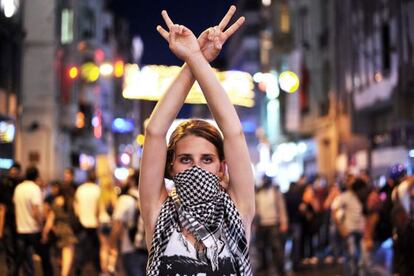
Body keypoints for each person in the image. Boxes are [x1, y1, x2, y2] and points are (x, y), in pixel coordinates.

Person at [139, 5, 254, 275]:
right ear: (170, 167)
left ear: (222, 167)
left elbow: (234, 132)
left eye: (207, 159)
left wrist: (196, 59)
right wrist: (193, 60)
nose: (197, 168)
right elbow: (155, 132)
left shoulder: (238, 211)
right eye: (185, 159)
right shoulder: (158, 214)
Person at [13, 166, 53, 275]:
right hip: (33, 230)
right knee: (45, 258)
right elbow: (35, 211)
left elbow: (16, 208)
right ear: (36, 176)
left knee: (18, 260)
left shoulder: (18, 188)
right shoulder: (34, 189)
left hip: (21, 229)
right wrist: (42, 228)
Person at [110, 170, 147, 276]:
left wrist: (112, 248)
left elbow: (117, 226)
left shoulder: (125, 199)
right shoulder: (149, 199)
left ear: (131, 181)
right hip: (149, 249)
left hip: (130, 249)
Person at [42, 182, 78, 276]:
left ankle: (62, 271)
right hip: (68, 230)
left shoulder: (56, 201)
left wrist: (45, 232)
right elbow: (77, 215)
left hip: (57, 230)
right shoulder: (71, 201)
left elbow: (50, 218)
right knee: (68, 256)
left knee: (60, 255)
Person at [255, 175, 288, 275]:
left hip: (273, 223)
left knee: (276, 248)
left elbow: (282, 208)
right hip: (261, 224)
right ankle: (264, 267)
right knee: (261, 247)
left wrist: (284, 222)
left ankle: (280, 268)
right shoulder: (258, 193)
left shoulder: (275, 192)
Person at [73, 169, 101, 275]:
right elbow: (99, 208)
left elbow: (75, 204)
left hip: (81, 222)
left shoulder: (80, 189)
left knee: (80, 248)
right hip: (93, 223)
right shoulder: (97, 189)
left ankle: (78, 269)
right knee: (95, 248)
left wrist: (78, 215)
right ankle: (96, 270)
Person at [0, 162, 22, 276]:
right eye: (12, 170)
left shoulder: (21, 184)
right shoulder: (4, 184)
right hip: (8, 220)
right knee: (9, 247)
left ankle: (15, 270)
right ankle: (11, 270)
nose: (13, 172)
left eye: (16, 170)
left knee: (18, 247)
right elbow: (2, 207)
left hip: (20, 220)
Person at [98, 175, 117, 274]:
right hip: (110, 223)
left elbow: (97, 211)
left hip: (101, 222)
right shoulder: (112, 195)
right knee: (113, 248)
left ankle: (104, 270)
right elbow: (115, 210)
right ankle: (111, 268)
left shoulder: (100, 196)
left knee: (103, 248)